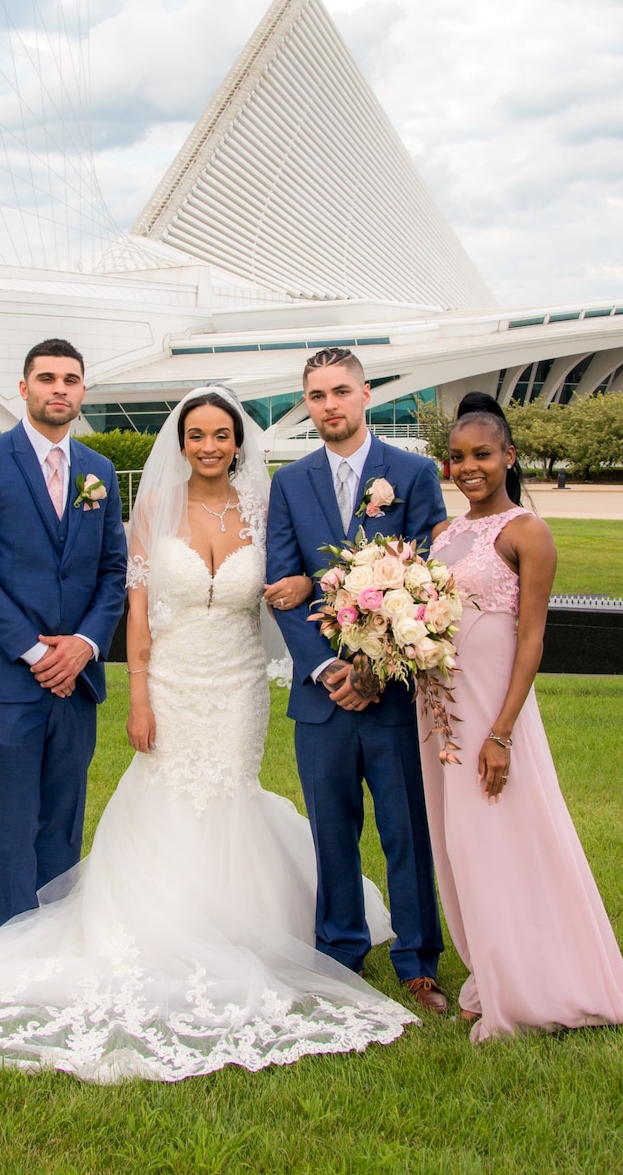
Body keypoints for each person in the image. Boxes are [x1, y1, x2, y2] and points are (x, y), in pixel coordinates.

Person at [0, 384, 415, 1081]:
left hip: (238, 682)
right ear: (181, 440)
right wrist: (138, 692)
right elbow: (136, 606)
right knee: (166, 795)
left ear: (239, 442)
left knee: (232, 792)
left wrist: (290, 592)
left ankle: (240, 926)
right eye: (197, 434)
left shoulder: (263, 506)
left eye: (222, 434)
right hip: (170, 679)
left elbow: (295, 580)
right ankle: (158, 931)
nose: (209, 446)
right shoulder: (155, 506)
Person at [424, 392, 623, 1041]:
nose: (468, 467)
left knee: (508, 835)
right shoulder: (444, 534)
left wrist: (501, 732)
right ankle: (492, 966)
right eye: (457, 457)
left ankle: (538, 978)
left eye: (481, 455)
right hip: (438, 711)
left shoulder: (527, 531)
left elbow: (530, 639)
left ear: (509, 456)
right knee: (462, 844)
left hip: (492, 714)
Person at [264, 348, 450, 1014]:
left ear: (366, 393)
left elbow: (431, 581)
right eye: (316, 395)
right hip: (321, 698)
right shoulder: (289, 483)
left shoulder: (412, 473)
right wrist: (328, 667)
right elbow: (283, 590)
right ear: (306, 403)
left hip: (394, 694)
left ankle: (418, 961)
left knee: (408, 830)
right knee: (331, 832)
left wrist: (376, 666)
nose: (329, 405)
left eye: (341, 391)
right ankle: (341, 953)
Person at [0, 338, 126, 927]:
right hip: (10, 677)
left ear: (83, 392)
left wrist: (85, 646)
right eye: (47, 379)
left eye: (70, 380)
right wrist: (33, 651)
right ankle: (8, 949)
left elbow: (113, 570)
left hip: (79, 676)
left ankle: (57, 943)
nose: (59, 389)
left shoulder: (98, 471)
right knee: (15, 823)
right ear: (24, 388)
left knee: (64, 820)